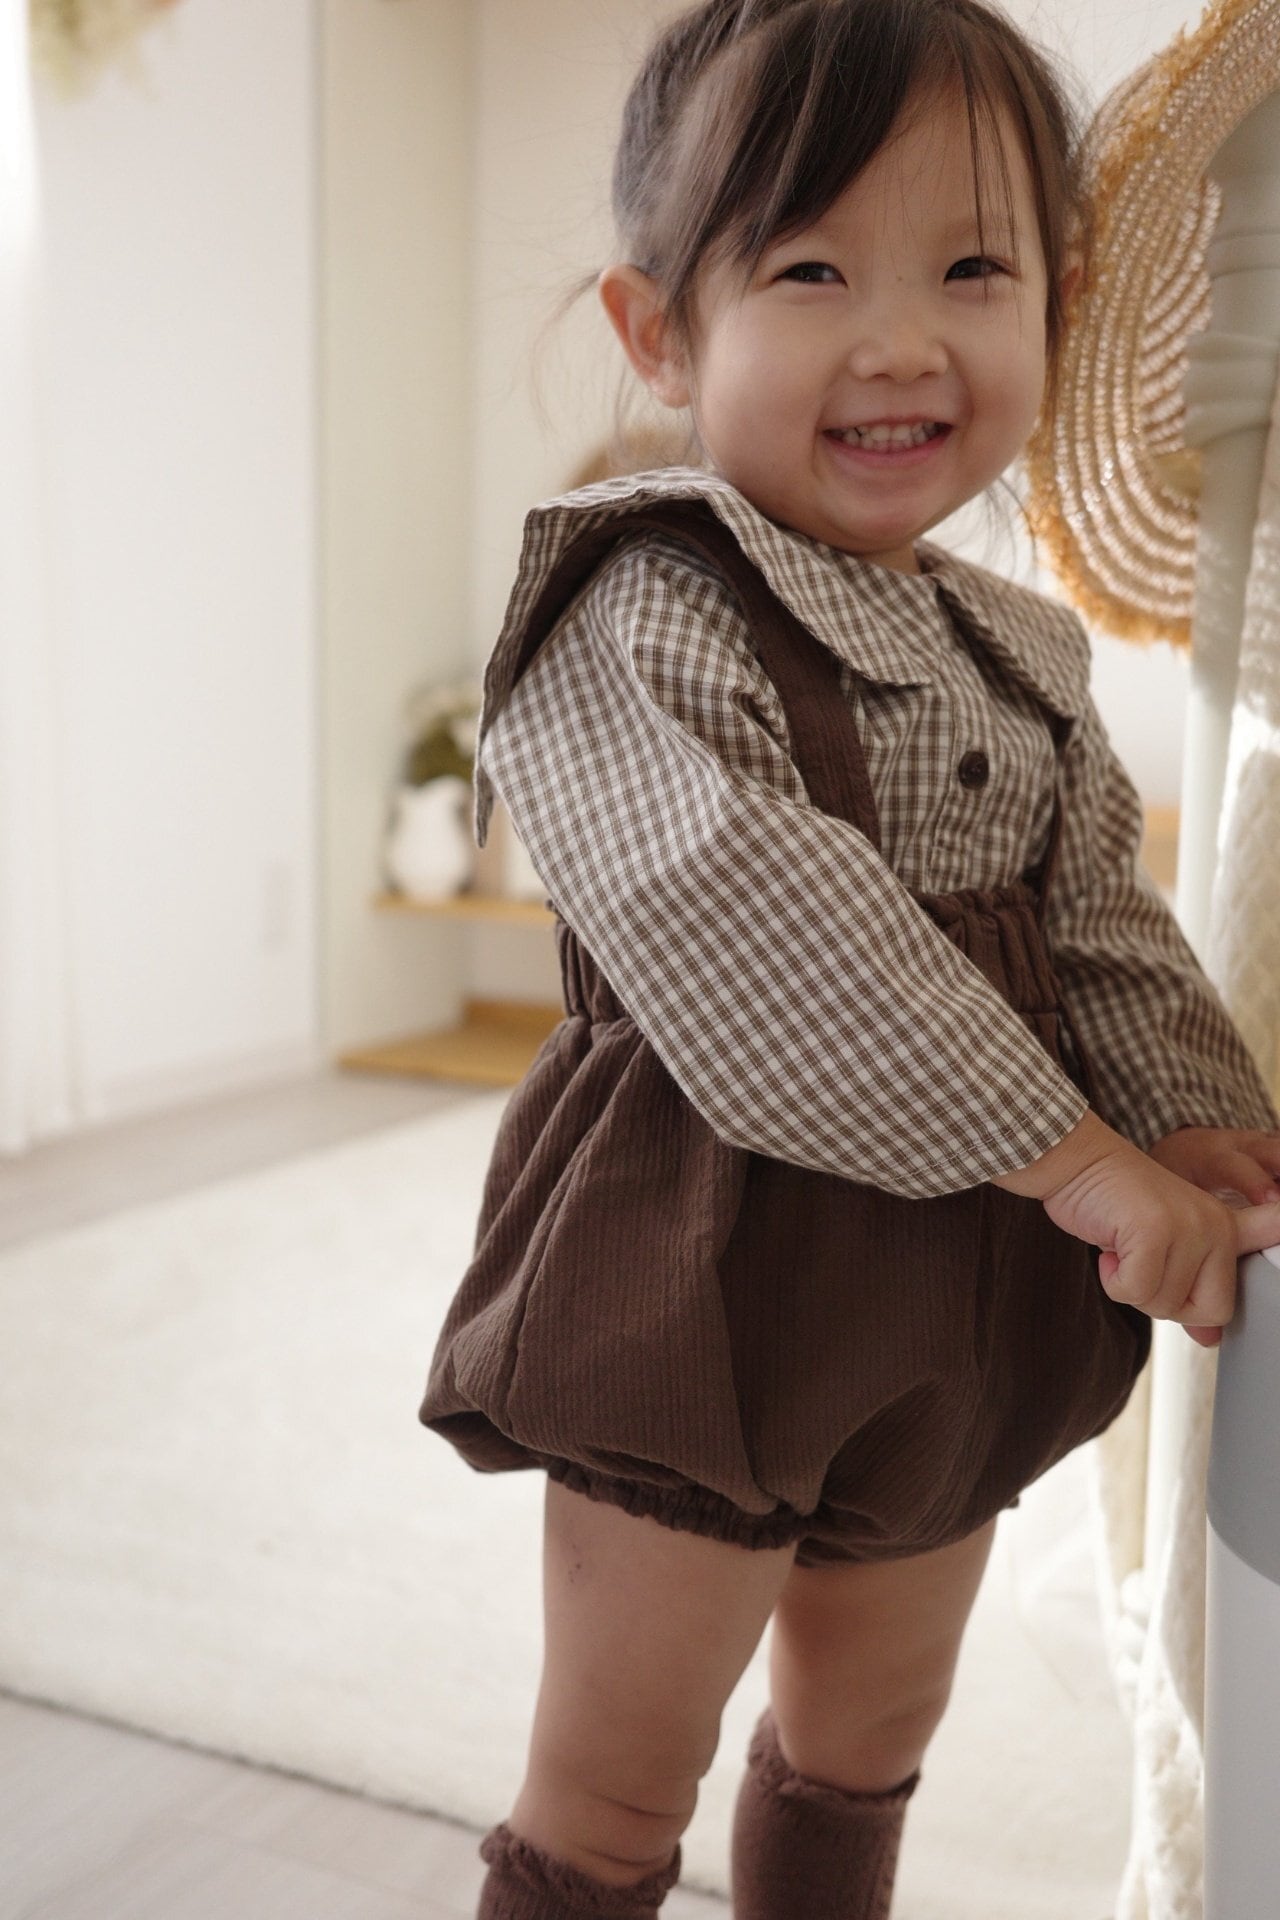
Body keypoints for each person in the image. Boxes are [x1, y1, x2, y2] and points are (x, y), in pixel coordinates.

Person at [419, 4, 1280, 1915]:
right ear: (664, 331)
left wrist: (1191, 1120)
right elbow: (764, 925)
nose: (901, 342)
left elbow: (1101, 922)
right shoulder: (641, 600)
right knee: (614, 1792)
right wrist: (1083, 1159)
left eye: (973, 271)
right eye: (812, 271)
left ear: (1055, 304)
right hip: (705, 1281)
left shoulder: (1018, 652)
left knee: (866, 1746)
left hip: (958, 1315)